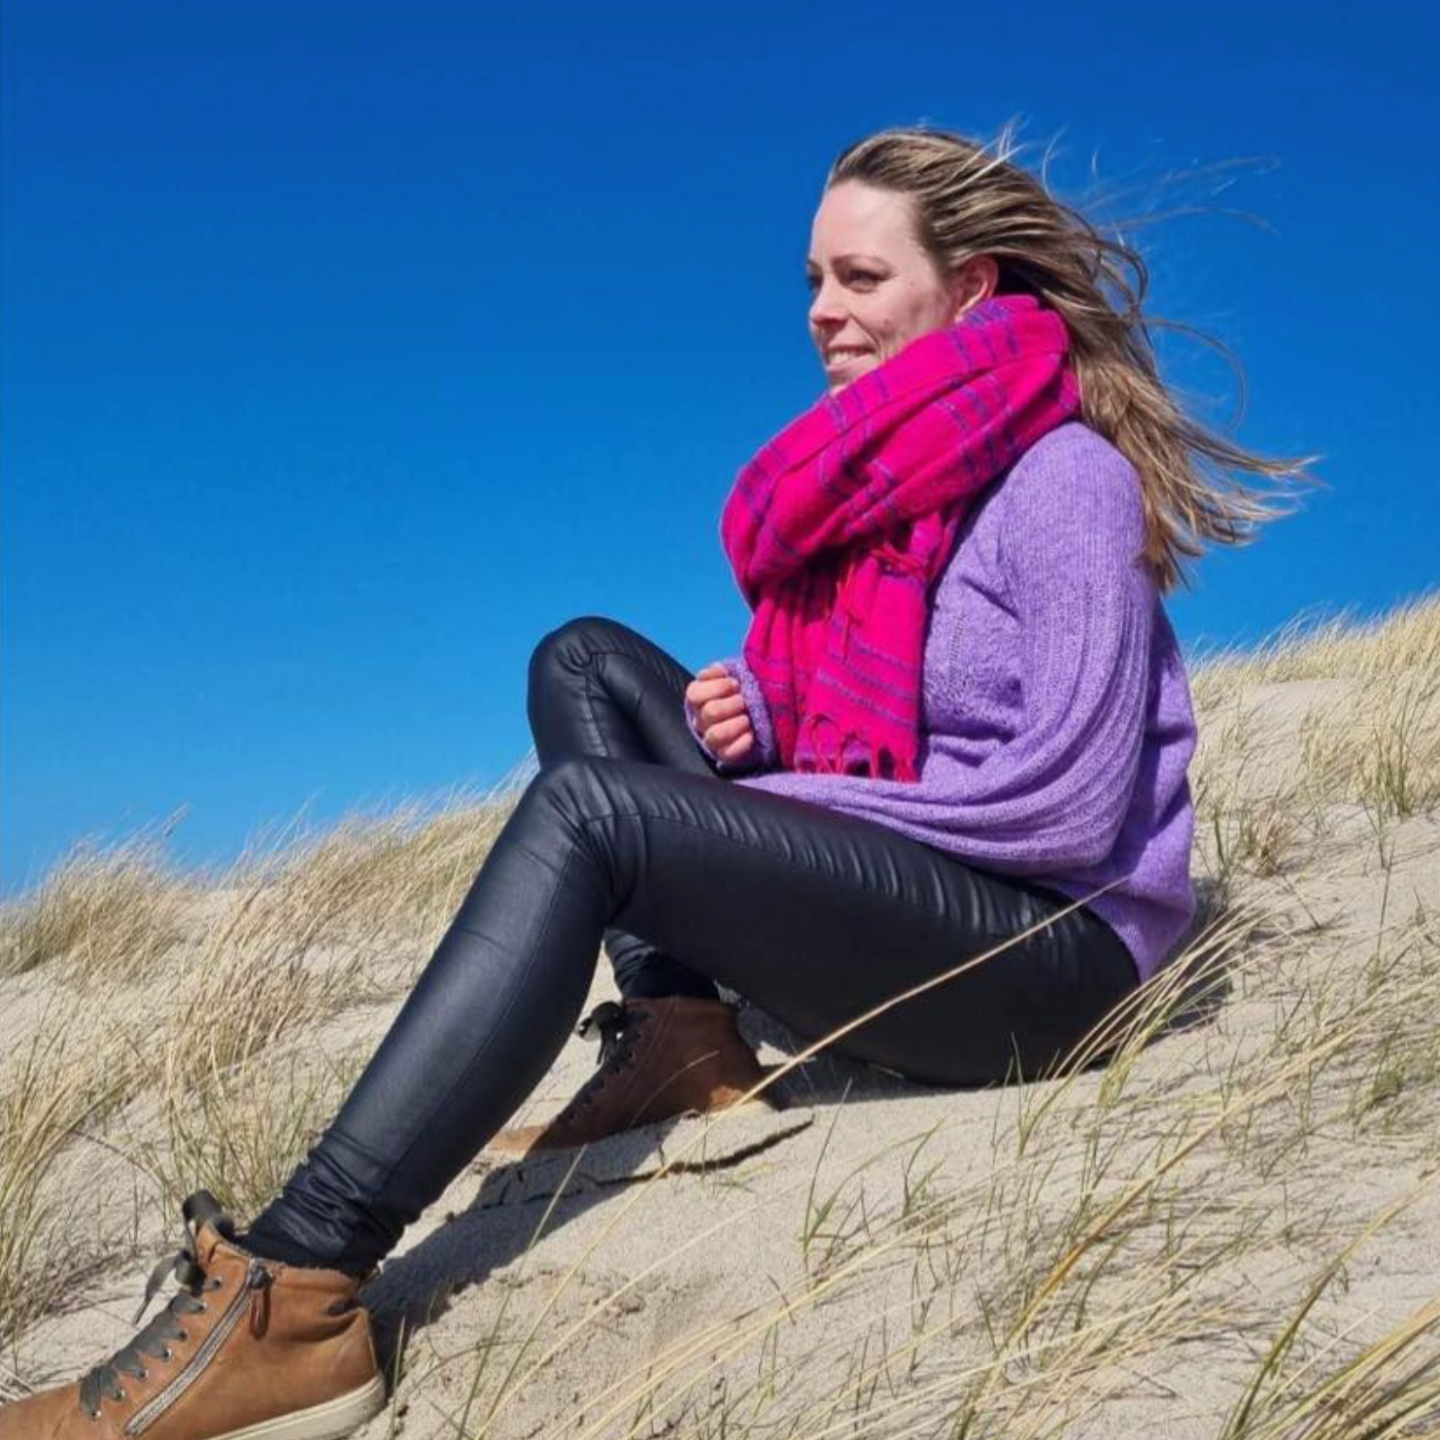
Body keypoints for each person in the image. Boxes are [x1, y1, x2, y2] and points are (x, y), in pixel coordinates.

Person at [3, 122, 1315, 1440]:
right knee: (583, 660)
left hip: (1053, 966)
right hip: (940, 909)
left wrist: (769, 807)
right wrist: (769, 729)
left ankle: (295, 1296)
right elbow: (903, 731)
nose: (823, 311)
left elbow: (1064, 809)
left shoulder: (1065, 481)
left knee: (594, 818)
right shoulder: (883, 496)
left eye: (862, 278)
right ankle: (684, 1040)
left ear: (971, 286)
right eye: (815, 279)